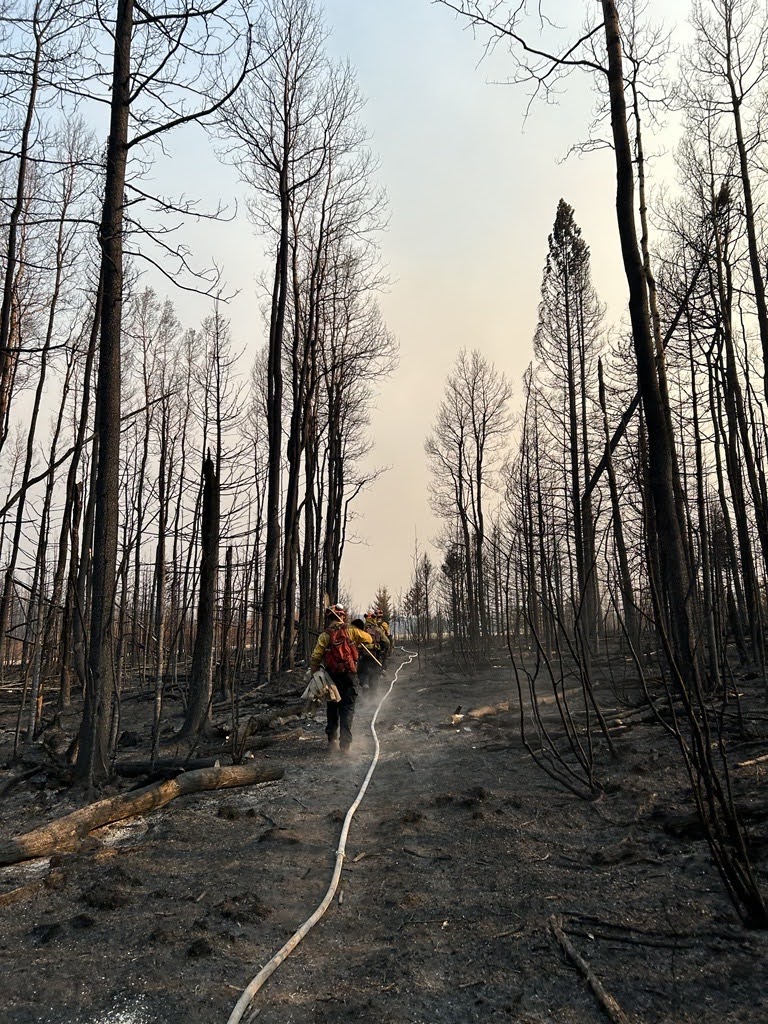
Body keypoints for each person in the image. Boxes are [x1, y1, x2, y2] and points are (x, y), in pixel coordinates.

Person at [307, 605, 372, 752]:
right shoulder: (351, 631)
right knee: (347, 709)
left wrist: (314, 675)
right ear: (343, 616)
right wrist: (356, 639)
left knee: (332, 707)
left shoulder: (325, 635)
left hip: (331, 677)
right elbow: (368, 638)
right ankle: (345, 745)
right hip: (349, 676)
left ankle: (331, 740)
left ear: (329, 618)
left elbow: (316, 657)